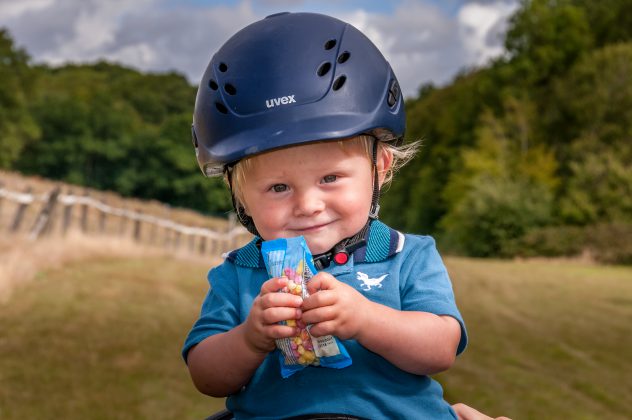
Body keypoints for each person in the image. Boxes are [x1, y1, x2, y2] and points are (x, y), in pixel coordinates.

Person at [183, 11, 470, 419]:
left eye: (330, 178)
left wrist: (366, 319)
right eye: (278, 188)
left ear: (380, 167)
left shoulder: (407, 255)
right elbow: (206, 376)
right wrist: (249, 339)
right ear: (240, 195)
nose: (307, 205)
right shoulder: (238, 273)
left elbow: (441, 349)